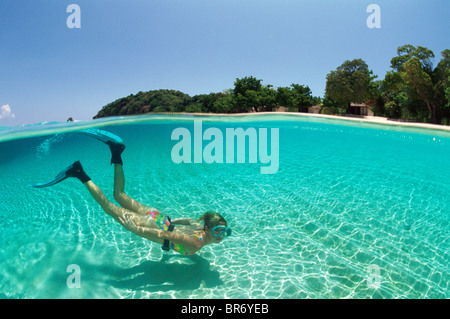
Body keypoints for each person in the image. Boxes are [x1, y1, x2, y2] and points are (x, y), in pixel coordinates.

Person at [29, 130, 232, 255]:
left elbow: (187, 221)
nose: (221, 236)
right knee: (109, 207)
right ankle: (79, 172)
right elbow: (161, 234)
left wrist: (173, 222)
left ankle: (116, 152)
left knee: (120, 195)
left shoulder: (199, 227)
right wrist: (136, 230)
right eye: (218, 231)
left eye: (224, 232)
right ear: (207, 228)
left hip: (159, 217)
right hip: (151, 225)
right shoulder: (195, 243)